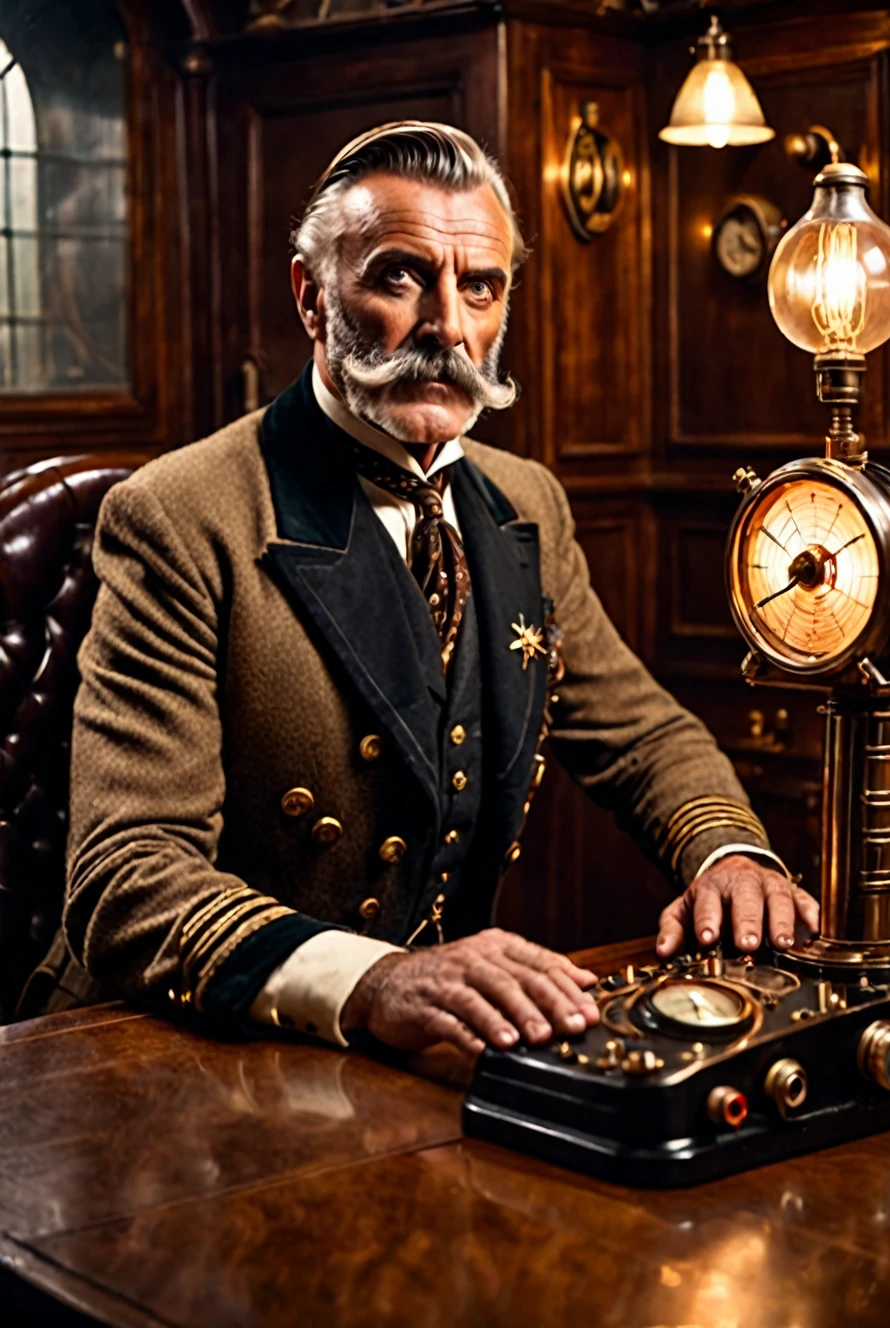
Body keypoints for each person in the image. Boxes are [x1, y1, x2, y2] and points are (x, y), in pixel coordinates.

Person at [22, 122, 818, 1056]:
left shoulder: (528, 503)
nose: (448, 325)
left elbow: (641, 731)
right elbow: (128, 879)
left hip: (410, 1055)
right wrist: (372, 978)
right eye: (399, 276)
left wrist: (728, 850)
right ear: (312, 298)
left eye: (480, 286)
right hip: (170, 1045)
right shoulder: (177, 515)